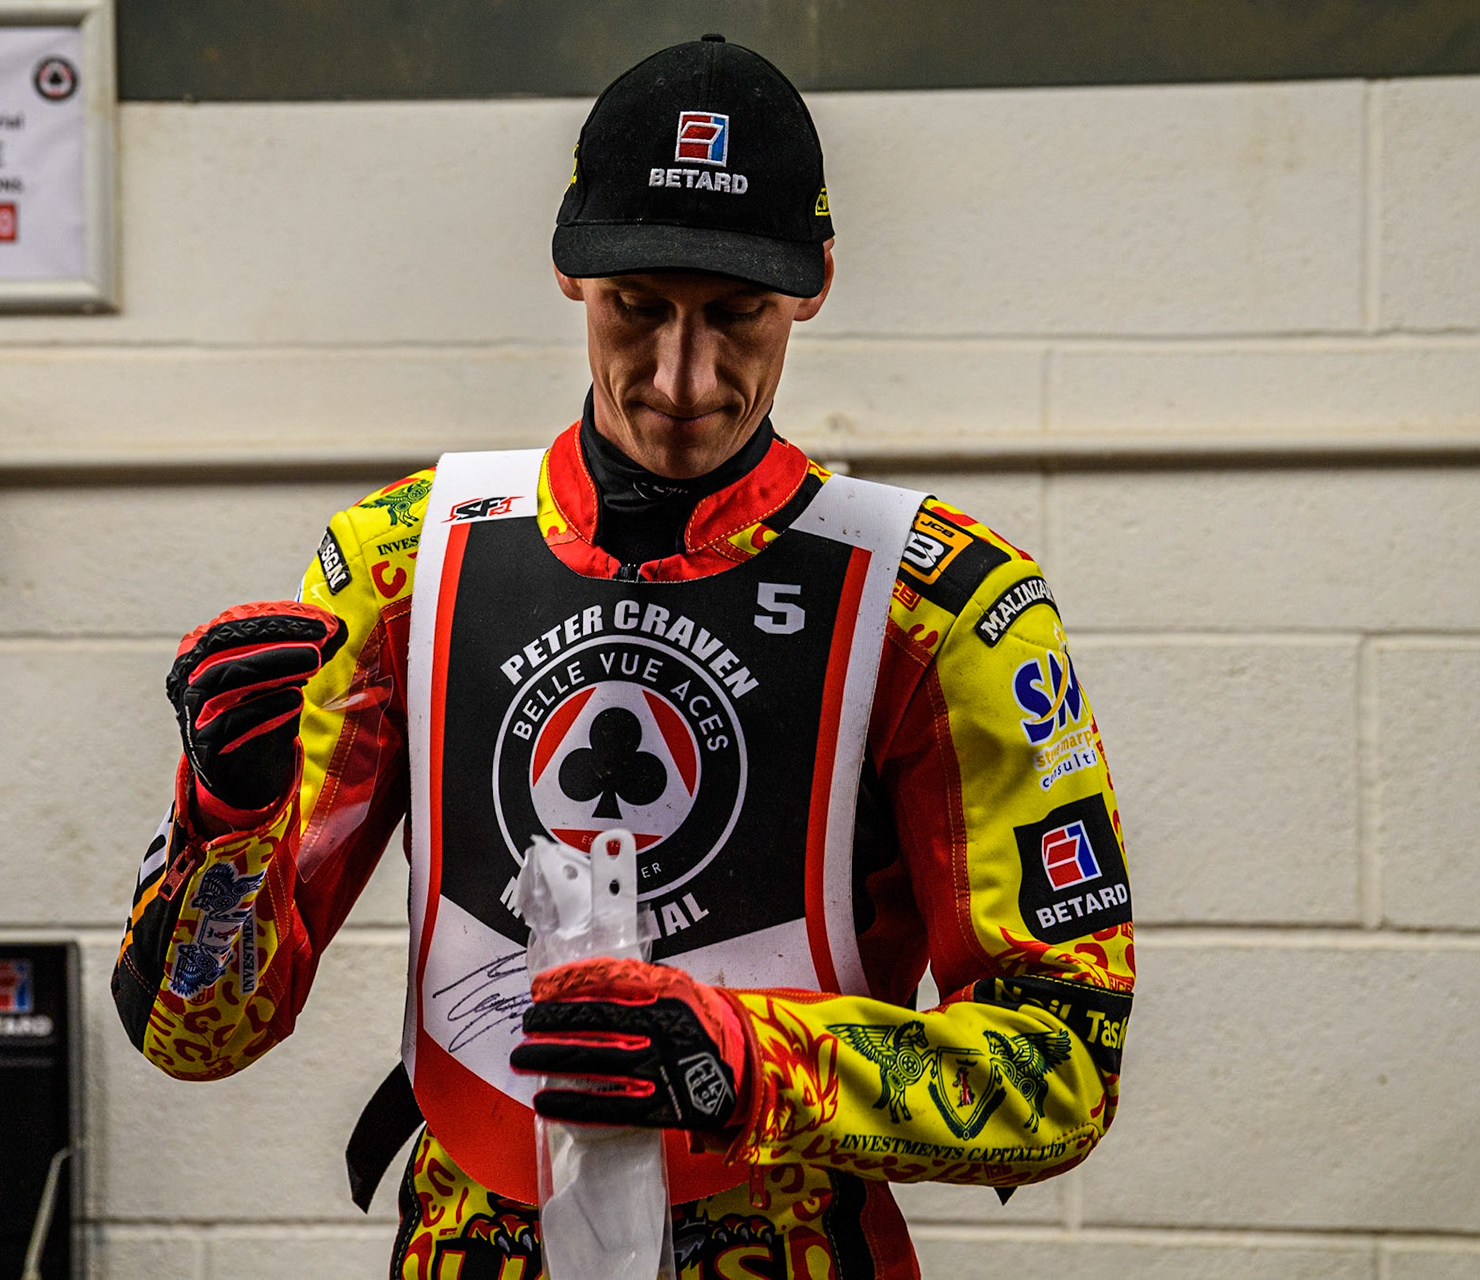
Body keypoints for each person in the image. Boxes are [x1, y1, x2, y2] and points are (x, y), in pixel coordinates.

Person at [112, 35, 1134, 1280]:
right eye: (637, 307)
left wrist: (751, 1060)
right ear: (570, 269)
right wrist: (225, 821)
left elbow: (1062, 1073)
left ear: (813, 282)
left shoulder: (943, 604)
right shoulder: (398, 565)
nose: (682, 379)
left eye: (737, 314)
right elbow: (197, 1037)